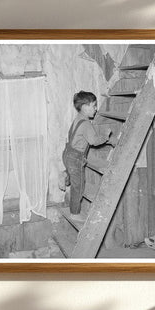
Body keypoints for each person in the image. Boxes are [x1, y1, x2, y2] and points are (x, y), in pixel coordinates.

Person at [62, 91, 112, 222]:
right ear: (85, 107)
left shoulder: (78, 118)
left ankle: (65, 176)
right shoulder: (86, 123)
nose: (96, 109)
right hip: (75, 157)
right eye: (94, 106)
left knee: (72, 174)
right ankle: (75, 212)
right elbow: (94, 141)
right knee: (78, 186)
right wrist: (105, 136)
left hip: (67, 153)